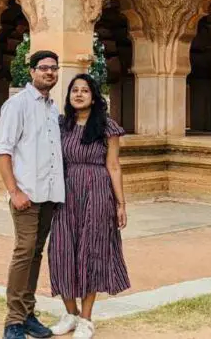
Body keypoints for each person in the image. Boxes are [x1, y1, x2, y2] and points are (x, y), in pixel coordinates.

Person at [48, 74, 130, 339]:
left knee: (91, 251)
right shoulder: (61, 125)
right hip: (66, 192)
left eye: (85, 90)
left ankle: (86, 318)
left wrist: (120, 203)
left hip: (97, 192)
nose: (79, 94)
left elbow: (114, 166)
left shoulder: (107, 127)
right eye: (75, 90)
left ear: (94, 97)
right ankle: (69, 313)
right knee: (61, 250)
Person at [0, 50, 65, 339]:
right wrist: (14, 191)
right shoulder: (17, 105)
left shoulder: (51, 108)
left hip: (48, 195)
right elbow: (2, 150)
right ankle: (13, 321)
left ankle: (27, 313)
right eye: (44, 68)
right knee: (24, 252)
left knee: (35, 253)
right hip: (26, 195)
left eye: (54, 69)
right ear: (32, 71)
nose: (50, 73)